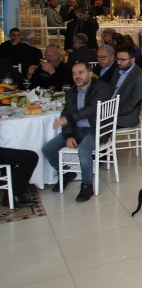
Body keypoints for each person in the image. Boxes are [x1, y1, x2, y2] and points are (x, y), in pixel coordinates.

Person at [42, 61, 111, 202]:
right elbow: (66, 113)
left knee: (83, 150)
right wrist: (68, 135)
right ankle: (66, 173)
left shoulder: (102, 88)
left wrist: (68, 119)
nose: (77, 76)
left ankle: (87, 185)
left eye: (81, 72)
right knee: (48, 148)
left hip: (96, 129)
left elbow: (92, 109)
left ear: (90, 73)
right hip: (77, 130)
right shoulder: (72, 92)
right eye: (74, 74)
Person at [109, 46, 142, 128]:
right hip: (109, 109)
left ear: (132, 60)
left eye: (122, 60)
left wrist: (112, 111)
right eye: (117, 59)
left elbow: (132, 103)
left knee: (91, 125)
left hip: (124, 117)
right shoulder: (117, 70)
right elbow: (110, 91)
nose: (118, 62)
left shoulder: (140, 76)